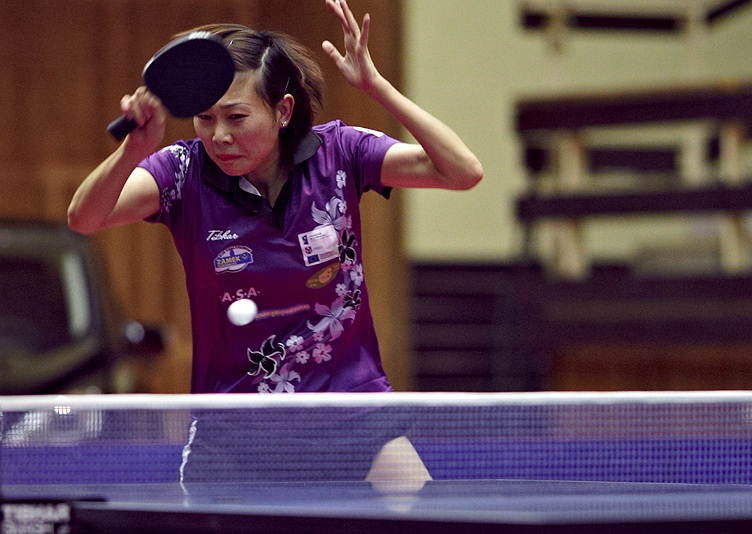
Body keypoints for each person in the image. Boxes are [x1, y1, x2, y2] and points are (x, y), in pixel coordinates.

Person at [68, 0, 482, 486]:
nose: (219, 136)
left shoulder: (340, 154)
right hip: (236, 434)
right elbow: (85, 218)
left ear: (283, 111)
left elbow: (462, 172)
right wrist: (132, 150)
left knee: (422, 515)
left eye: (236, 117)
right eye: (205, 118)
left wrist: (377, 87)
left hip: (355, 418)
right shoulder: (182, 172)